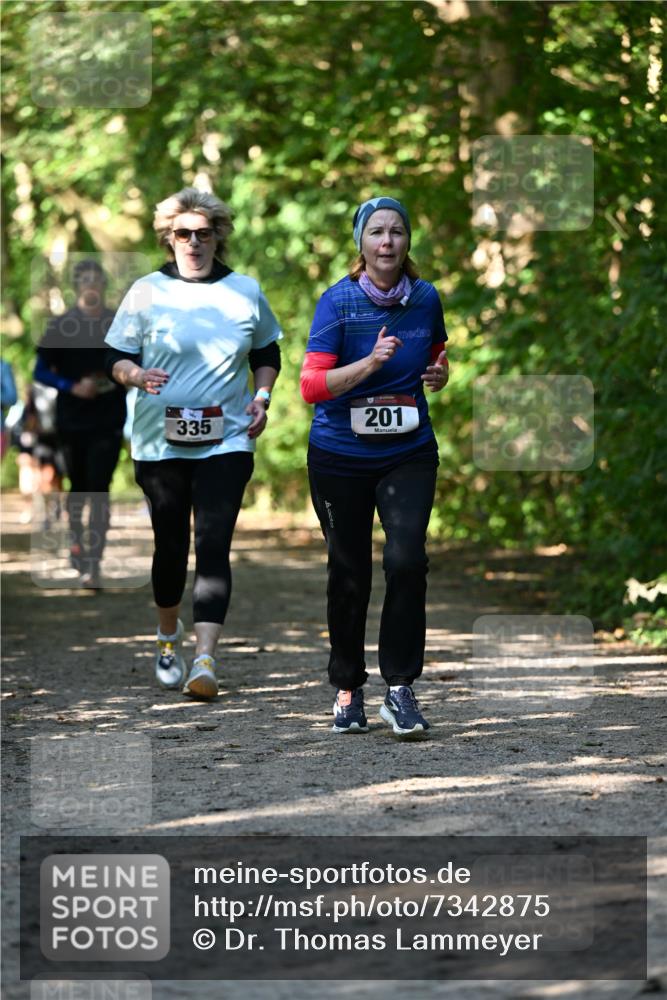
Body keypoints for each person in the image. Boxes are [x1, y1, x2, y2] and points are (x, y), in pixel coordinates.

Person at [105, 187, 281, 701]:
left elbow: (266, 352)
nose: (194, 242)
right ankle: (167, 638)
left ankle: (205, 659)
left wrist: (263, 397)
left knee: (213, 543)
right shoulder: (145, 291)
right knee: (170, 546)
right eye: (183, 233)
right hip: (159, 443)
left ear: (218, 237)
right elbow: (115, 358)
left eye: (204, 234)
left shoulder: (244, 290)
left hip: (227, 438)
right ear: (169, 237)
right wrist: (136, 375)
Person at [300, 196, 449, 739]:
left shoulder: (426, 298)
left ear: (407, 242)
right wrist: (368, 365)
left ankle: (401, 688)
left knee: (407, 560)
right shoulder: (336, 303)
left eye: (397, 233)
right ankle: (347, 688)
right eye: (377, 233)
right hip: (340, 455)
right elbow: (311, 386)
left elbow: (436, 353)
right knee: (349, 573)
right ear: (361, 244)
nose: (387, 242)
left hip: (408, 451)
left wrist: (438, 374)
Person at [35, 259, 127, 588]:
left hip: (109, 419)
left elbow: (137, 361)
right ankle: (77, 545)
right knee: (78, 488)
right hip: (71, 420)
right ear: (77, 286)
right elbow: (41, 371)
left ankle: (94, 563)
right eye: (84, 280)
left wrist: (120, 377)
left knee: (100, 488)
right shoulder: (61, 325)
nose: (91, 286)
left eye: (96, 281)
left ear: (103, 286)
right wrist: (72, 387)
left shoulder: (118, 322)